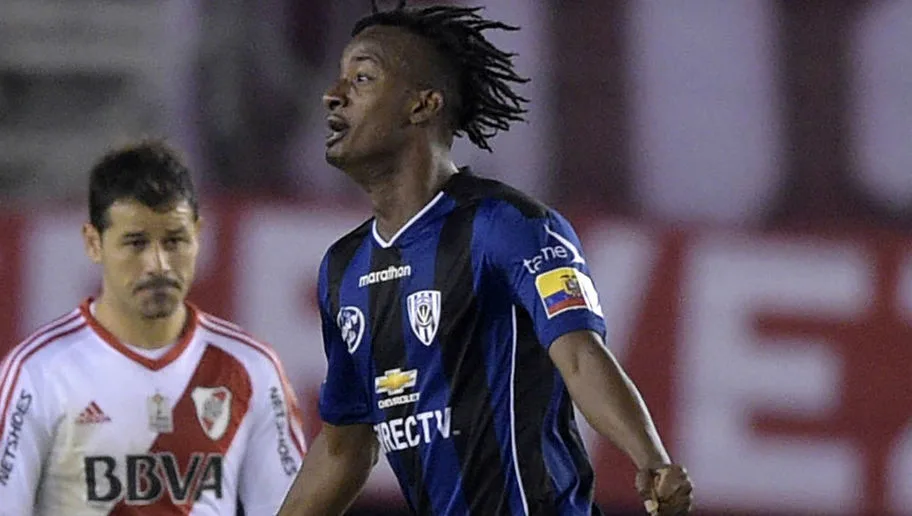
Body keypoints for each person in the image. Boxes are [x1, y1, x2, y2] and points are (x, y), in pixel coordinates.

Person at [278, 2, 693, 515]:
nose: (333, 95)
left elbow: (582, 356)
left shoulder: (509, 225)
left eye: (362, 78)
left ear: (422, 106)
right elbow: (344, 447)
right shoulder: (343, 270)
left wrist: (650, 460)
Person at [0, 140, 307, 515]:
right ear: (93, 243)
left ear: (198, 235)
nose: (158, 264)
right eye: (136, 243)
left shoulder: (250, 367)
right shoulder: (39, 372)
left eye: (175, 240)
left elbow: (287, 507)